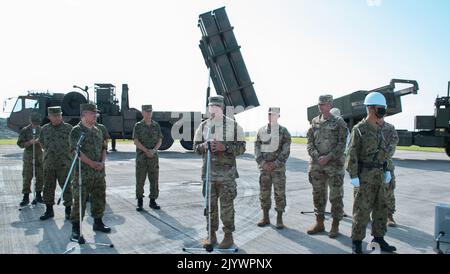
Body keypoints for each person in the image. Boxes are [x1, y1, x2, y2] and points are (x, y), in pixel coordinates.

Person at [346, 92, 397, 254]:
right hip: (364, 176)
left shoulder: (388, 128)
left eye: (384, 108)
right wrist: (353, 176)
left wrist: (388, 170)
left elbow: (388, 152)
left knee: (382, 208)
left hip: (381, 175)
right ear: (370, 109)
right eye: (379, 108)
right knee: (361, 210)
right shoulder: (360, 129)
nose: (383, 111)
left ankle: (379, 238)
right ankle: (357, 241)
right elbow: (351, 154)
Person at [193, 95, 246, 249]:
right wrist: (204, 146)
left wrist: (225, 147)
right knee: (210, 207)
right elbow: (195, 148)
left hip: (226, 176)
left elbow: (242, 148)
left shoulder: (234, 126)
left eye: (217, 107)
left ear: (222, 108)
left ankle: (228, 236)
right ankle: (211, 234)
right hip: (209, 175)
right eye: (211, 107)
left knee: (226, 207)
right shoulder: (203, 126)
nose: (214, 109)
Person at [306, 95, 348, 238]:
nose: (320, 106)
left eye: (323, 104)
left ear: (330, 105)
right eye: (319, 104)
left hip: (334, 166)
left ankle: (335, 225)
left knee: (336, 196)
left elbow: (342, 144)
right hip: (317, 166)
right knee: (318, 195)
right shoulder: (314, 121)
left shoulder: (339, 122)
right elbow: (309, 142)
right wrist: (317, 156)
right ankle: (319, 223)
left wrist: (328, 157)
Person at [70, 103, 111, 241]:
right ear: (84, 114)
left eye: (96, 113)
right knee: (79, 200)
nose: (95, 115)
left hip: (99, 172)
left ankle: (98, 222)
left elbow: (104, 148)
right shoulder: (76, 131)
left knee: (99, 197)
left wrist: (102, 162)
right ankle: (76, 229)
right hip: (83, 173)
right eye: (92, 113)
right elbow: (77, 151)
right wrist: (92, 163)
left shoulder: (98, 130)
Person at [255, 107, 291, 229]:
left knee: (279, 193)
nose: (271, 116)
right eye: (270, 114)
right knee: (264, 193)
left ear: (278, 116)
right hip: (264, 169)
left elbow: (285, 151)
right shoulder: (261, 131)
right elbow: (257, 148)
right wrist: (262, 163)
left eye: (274, 114)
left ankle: (279, 219)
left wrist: (275, 164)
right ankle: (265, 217)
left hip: (278, 170)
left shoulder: (284, 132)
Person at [39, 106, 73, 221]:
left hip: (65, 164)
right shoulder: (44, 129)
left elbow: (74, 145)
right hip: (49, 164)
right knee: (48, 187)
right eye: (54, 116)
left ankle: (68, 210)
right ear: (49, 117)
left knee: (67, 187)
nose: (57, 117)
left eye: (59, 115)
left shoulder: (69, 128)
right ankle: (49, 210)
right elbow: (42, 144)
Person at [132, 105, 163, 211]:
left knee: (154, 179)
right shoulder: (138, 125)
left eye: (150, 112)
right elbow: (136, 141)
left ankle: (153, 200)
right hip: (142, 157)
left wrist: (153, 150)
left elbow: (160, 140)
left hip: (153, 157)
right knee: (140, 179)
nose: (149, 113)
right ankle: (139, 201)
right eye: (147, 112)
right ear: (142, 113)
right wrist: (146, 151)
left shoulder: (156, 125)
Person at [17, 112, 44, 206]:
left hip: (39, 157)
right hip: (28, 157)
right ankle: (26, 197)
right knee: (27, 177)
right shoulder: (25, 130)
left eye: (37, 123)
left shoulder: (42, 130)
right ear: (30, 121)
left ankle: (38, 195)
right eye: (34, 123)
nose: (35, 125)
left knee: (40, 177)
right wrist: (30, 142)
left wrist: (40, 144)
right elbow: (20, 144)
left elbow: (46, 143)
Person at [380, 117, 399, 227]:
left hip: (386, 165)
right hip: (370, 166)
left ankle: (389, 215)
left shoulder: (389, 128)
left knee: (389, 191)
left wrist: (381, 157)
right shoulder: (367, 126)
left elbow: (392, 145)